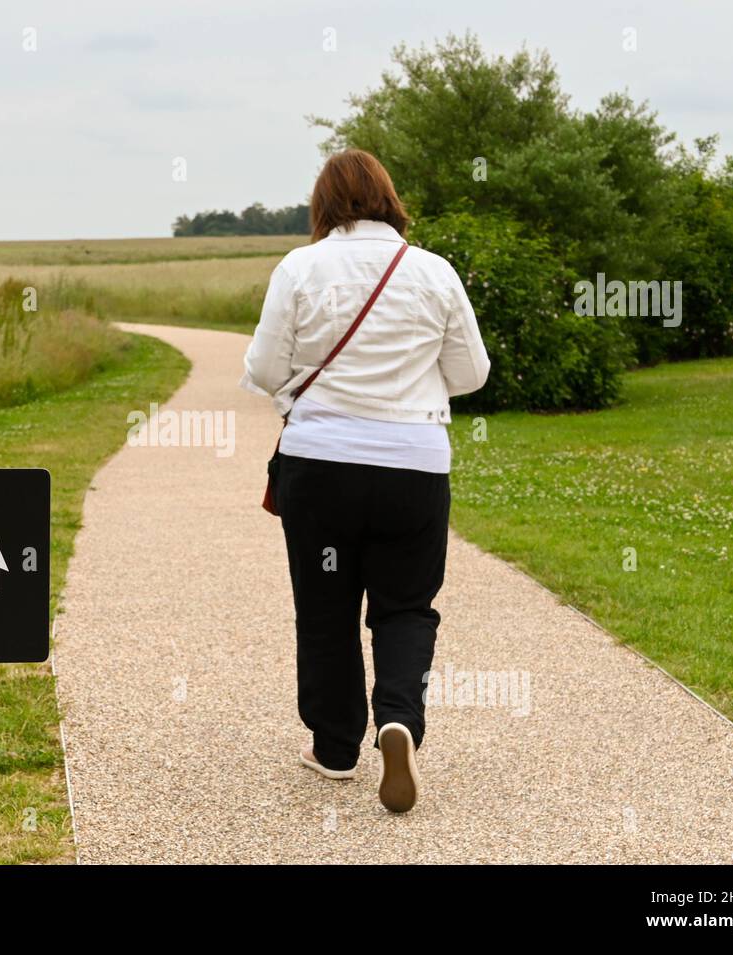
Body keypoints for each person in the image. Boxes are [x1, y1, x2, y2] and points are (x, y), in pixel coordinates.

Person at [240, 149, 491, 812]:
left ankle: (334, 746)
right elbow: (471, 374)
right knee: (407, 604)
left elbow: (266, 368)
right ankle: (399, 717)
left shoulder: (299, 267)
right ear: (389, 199)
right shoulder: (432, 271)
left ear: (322, 206)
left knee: (326, 608)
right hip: (412, 465)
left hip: (320, 463)